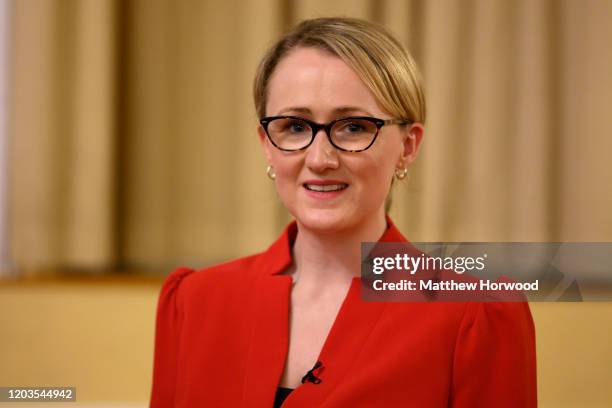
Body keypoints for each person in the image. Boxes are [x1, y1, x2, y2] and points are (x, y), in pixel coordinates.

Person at [150, 17, 536, 407]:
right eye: (295, 127)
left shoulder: (473, 315)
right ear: (267, 144)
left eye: (353, 127)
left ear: (407, 146)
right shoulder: (193, 302)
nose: (320, 159)